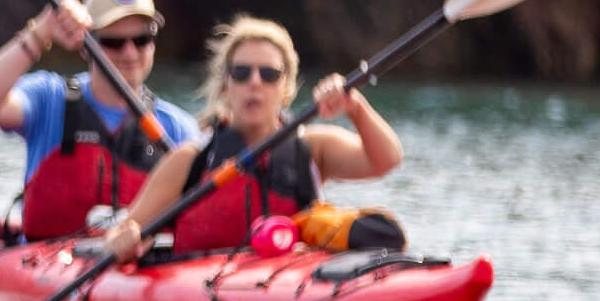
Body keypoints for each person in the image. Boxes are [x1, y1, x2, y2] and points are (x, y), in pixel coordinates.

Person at [97, 13, 402, 260]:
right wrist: (126, 239)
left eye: (269, 75)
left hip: (287, 288)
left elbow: (387, 160)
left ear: (285, 88)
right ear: (226, 86)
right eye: (242, 73)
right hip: (199, 299)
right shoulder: (190, 160)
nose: (254, 83)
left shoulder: (313, 148)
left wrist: (355, 107)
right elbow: (128, 227)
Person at [0, 0, 200, 239]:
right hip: (46, 264)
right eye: (113, 42)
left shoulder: (177, 126)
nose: (130, 53)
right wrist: (41, 32)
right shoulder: (48, 98)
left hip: (138, 267)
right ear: (87, 47)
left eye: (142, 39)